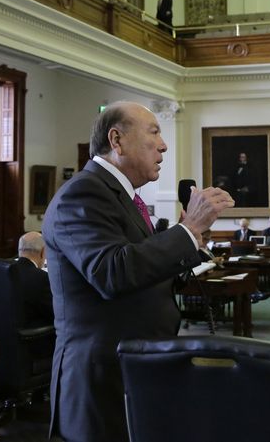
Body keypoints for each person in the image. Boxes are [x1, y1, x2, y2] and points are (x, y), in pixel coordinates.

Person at [42, 101, 234, 442]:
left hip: (135, 368)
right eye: (154, 132)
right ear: (117, 140)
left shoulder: (122, 197)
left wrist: (187, 238)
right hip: (101, 378)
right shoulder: (83, 192)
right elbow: (111, 272)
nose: (163, 145)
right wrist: (188, 230)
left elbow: (140, 266)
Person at [14, 231, 54, 328]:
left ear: (20, 251)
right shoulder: (42, 278)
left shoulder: (5, 271)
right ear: (43, 252)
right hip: (35, 337)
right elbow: (55, 314)